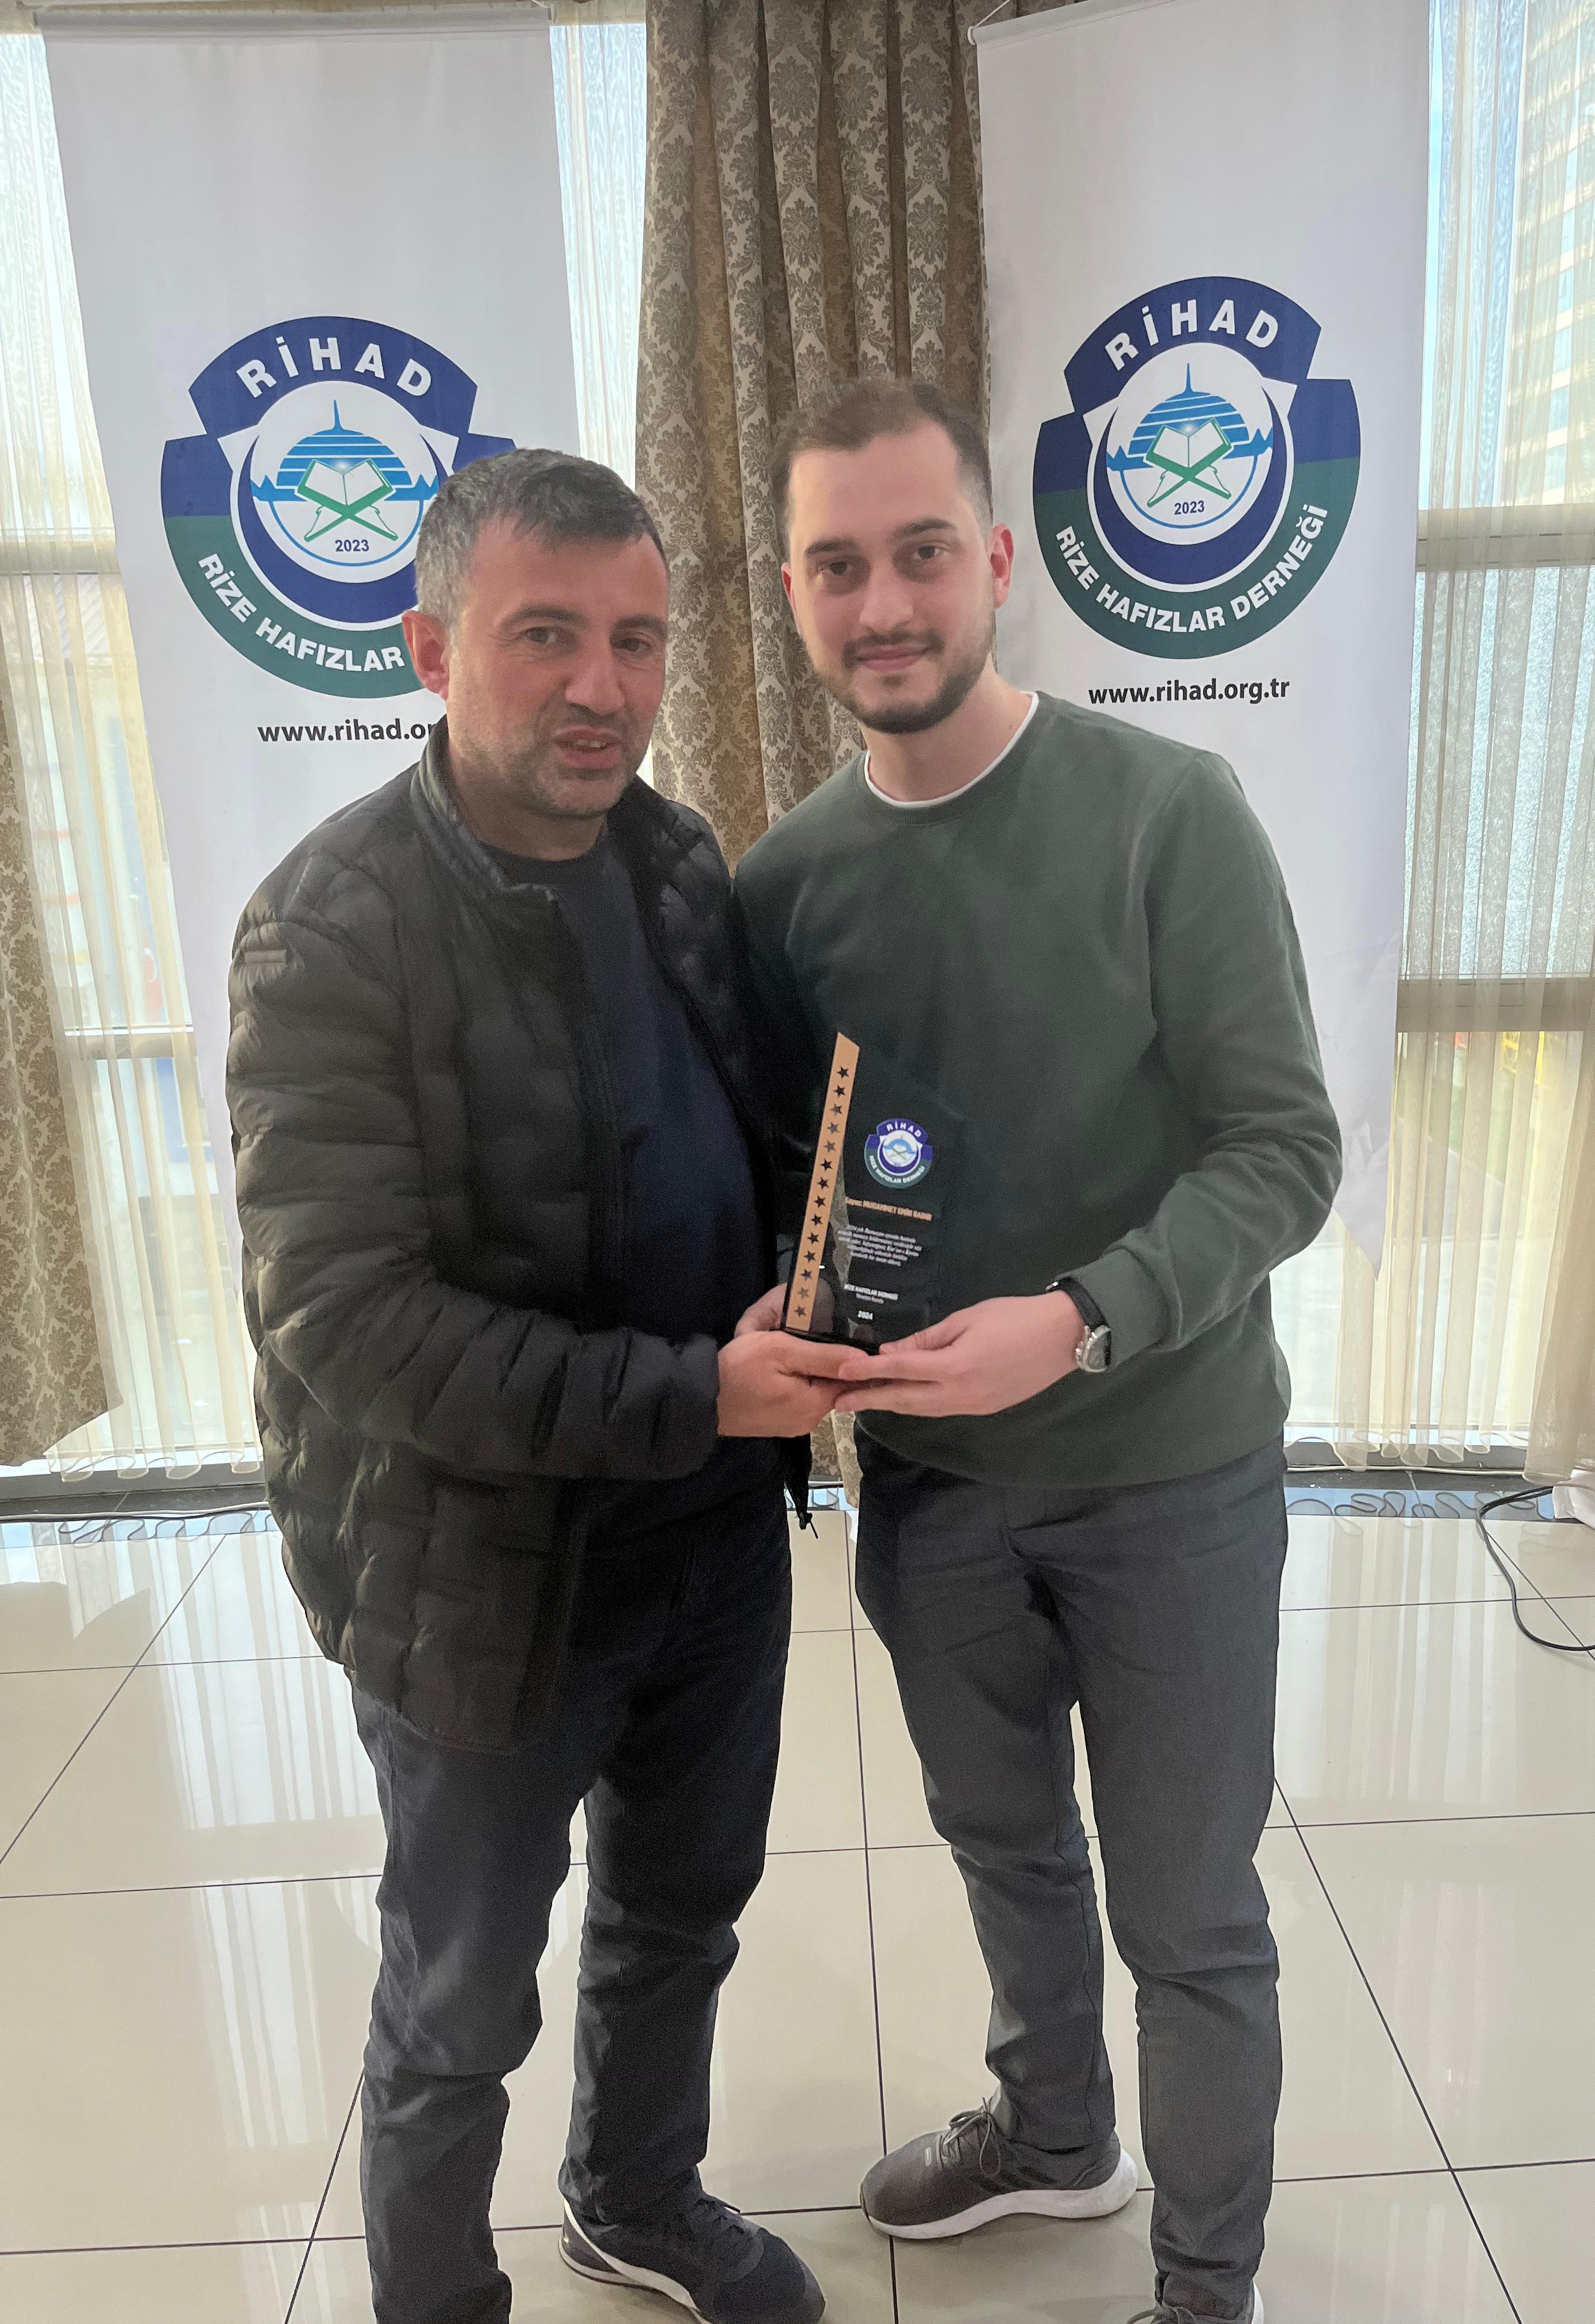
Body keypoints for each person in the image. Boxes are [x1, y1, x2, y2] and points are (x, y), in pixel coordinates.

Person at [735, 379, 1343, 2324]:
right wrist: (777, 1321)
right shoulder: (782, 890)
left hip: (1172, 1477)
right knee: (1004, 1850)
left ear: (996, 561)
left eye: (923, 552)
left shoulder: (1170, 813)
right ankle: (1057, 2132)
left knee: (1191, 1916)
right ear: (793, 594)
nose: (884, 603)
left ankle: (1207, 2286)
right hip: (933, 1499)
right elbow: (801, 1190)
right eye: (839, 565)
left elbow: (1285, 1153)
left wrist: (1080, 1323)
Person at [228, 449, 846, 2324]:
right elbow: (351, 1320)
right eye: (546, 636)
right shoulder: (327, 930)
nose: (602, 685)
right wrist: (699, 1394)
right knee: (459, 2001)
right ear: (431, 649)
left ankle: (635, 2197)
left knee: (681, 1911)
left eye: (637, 640)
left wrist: (820, 1286)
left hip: (710, 1543)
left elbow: (736, 1138)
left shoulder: (675, 860)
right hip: (479, 1583)